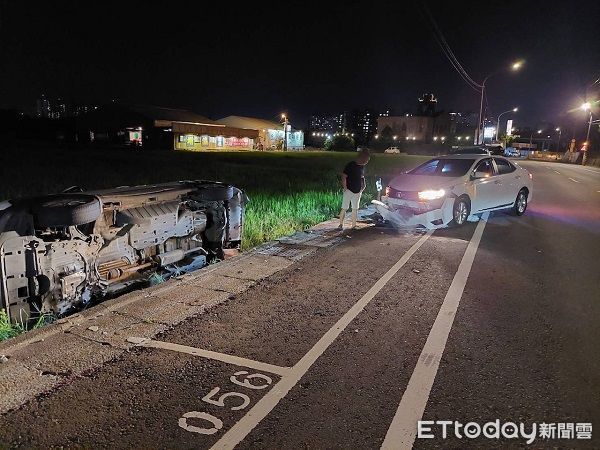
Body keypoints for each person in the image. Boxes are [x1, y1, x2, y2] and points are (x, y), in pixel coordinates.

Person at [339, 148, 370, 229]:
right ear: (362, 158)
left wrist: (363, 186)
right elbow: (344, 176)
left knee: (355, 209)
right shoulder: (351, 165)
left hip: (358, 191)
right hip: (349, 190)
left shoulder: (362, 167)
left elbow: (362, 177)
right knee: (344, 208)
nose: (367, 162)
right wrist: (345, 187)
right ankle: (340, 224)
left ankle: (353, 225)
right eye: (366, 160)